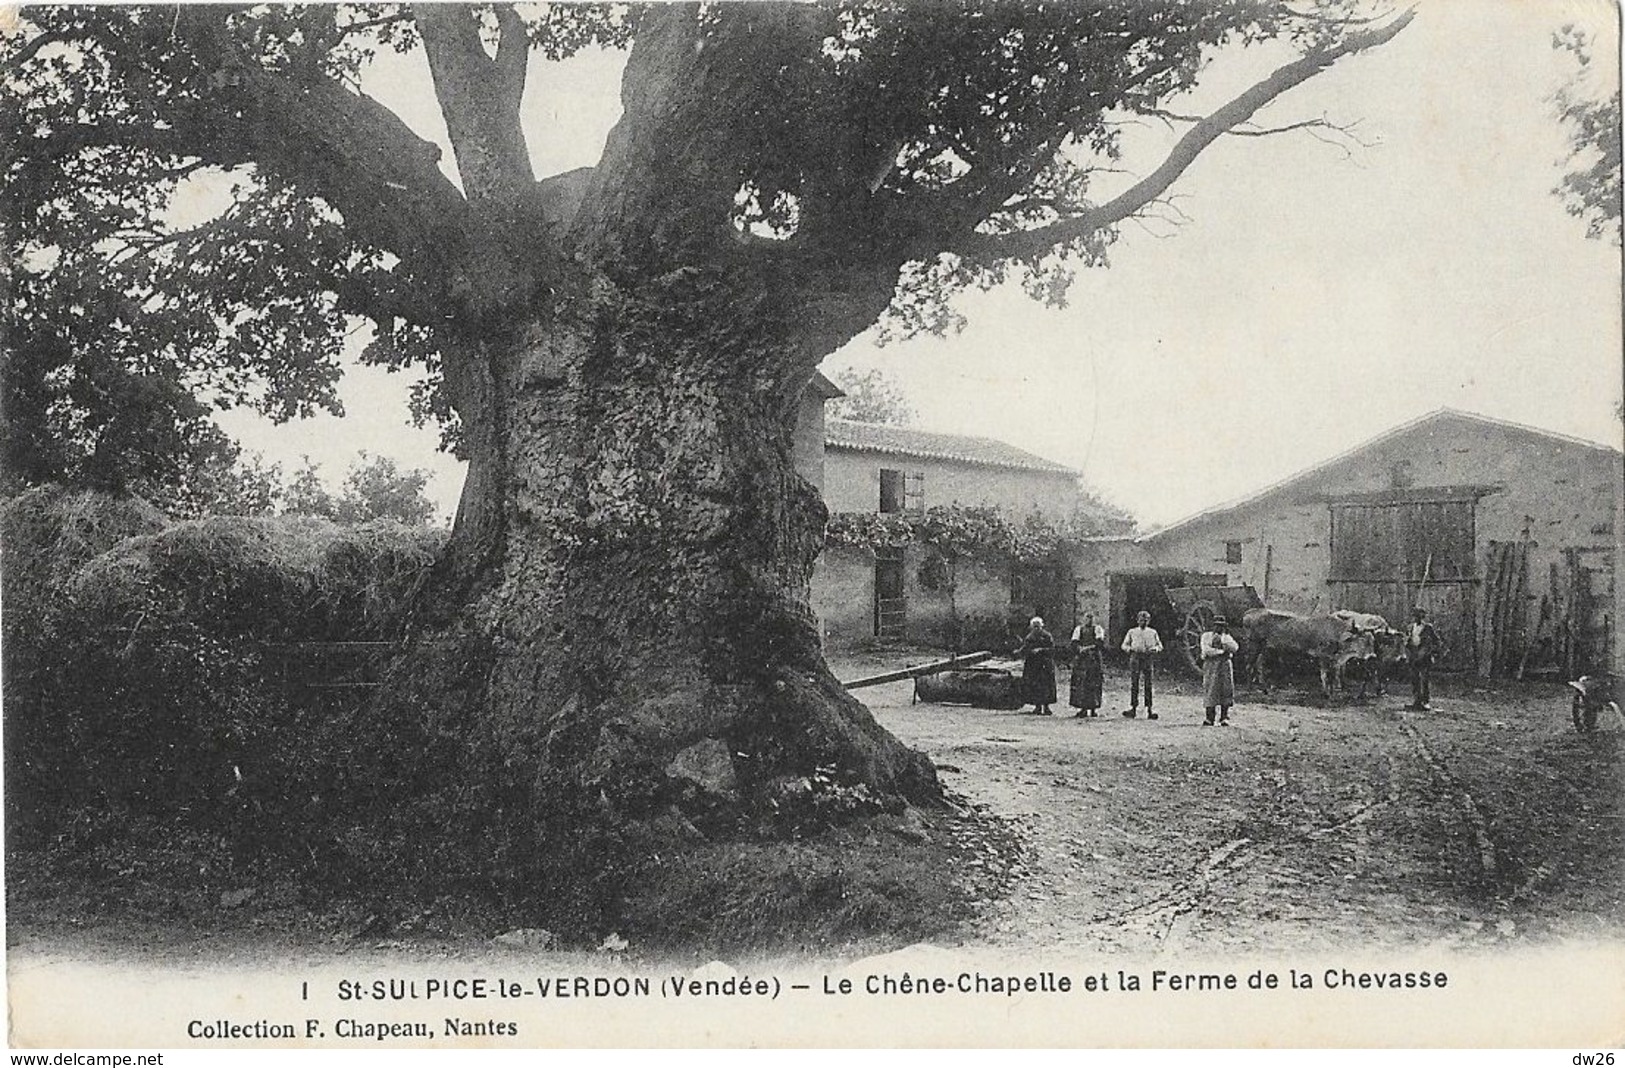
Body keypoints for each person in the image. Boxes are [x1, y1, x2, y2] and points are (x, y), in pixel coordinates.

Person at [1120, 609, 1163, 719]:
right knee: (1135, 683)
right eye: (1141, 620)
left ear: (1149, 621)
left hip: (1148, 657)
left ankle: (1149, 709)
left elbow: (1160, 646)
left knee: (1148, 684)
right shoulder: (1132, 631)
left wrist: (1155, 649)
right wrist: (1129, 649)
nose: (1143, 622)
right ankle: (1133, 708)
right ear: (1137, 620)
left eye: (1146, 620)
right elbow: (1124, 645)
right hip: (1136, 657)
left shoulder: (1152, 632)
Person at [1200, 615, 1240, 726]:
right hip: (1211, 664)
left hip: (1225, 664)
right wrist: (1222, 651)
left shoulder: (1227, 637)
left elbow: (1235, 648)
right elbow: (1207, 650)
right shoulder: (1206, 636)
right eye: (1217, 625)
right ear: (1213, 625)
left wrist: (1222, 642)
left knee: (1226, 689)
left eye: (1221, 626)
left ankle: (1224, 717)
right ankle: (1209, 717)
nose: (1219, 628)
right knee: (1210, 688)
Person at [1405, 605, 1445, 711]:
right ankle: (1416, 701)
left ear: (1422, 617)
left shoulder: (1428, 628)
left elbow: (1437, 641)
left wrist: (1431, 651)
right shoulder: (1410, 627)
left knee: (1424, 679)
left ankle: (1426, 701)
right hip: (1413, 655)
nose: (1416, 618)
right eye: (1415, 616)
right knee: (1414, 679)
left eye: (1419, 616)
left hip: (1424, 657)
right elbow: (1408, 640)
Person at [1015, 616, 1057, 715]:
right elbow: (1025, 648)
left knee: (1046, 685)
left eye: (1038, 626)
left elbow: (1052, 649)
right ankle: (1037, 706)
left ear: (1042, 626)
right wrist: (1019, 652)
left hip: (1045, 664)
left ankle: (1046, 707)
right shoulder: (1030, 637)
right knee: (1035, 684)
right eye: (1034, 626)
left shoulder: (1047, 636)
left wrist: (1041, 650)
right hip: (1033, 664)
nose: (1036, 628)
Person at [1068, 612, 1105, 718]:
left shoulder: (1097, 629)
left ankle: (1093, 708)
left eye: (1091, 618)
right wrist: (1079, 648)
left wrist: (1088, 648)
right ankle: (1082, 708)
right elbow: (1074, 643)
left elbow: (1099, 643)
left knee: (1094, 682)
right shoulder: (1079, 629)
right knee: (1081, 682)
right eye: (1087, 618)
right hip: (1082, 660)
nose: (1089, 620)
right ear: (1083, 619)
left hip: (1093, 659)